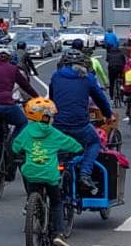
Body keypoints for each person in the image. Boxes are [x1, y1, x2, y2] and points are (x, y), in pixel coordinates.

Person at [11, 96, 83, 246]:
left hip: (31, 173)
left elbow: (15, 147)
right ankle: (57, 234)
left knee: (33, 193)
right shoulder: (54, 133)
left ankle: (34, 213)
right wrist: (78, 149)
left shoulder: (27, 131)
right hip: (50, 175)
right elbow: (74, 146)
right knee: (56, 202)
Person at [47, 48, 114, 197]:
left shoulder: (56, 76)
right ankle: (85, 173)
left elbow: (52, 98)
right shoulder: (88, 78)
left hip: (58, 123)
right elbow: (100, 98)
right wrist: (108, 115)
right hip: (80, 124)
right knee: (94, 142)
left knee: (56, 147)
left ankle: (54, 172)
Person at [0, 46, 44, 162]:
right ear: (9, 57)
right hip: (5, 106)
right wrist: (37, 97)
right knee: (22, 122)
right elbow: (25, 86)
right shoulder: (13, 69)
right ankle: (12, 145)